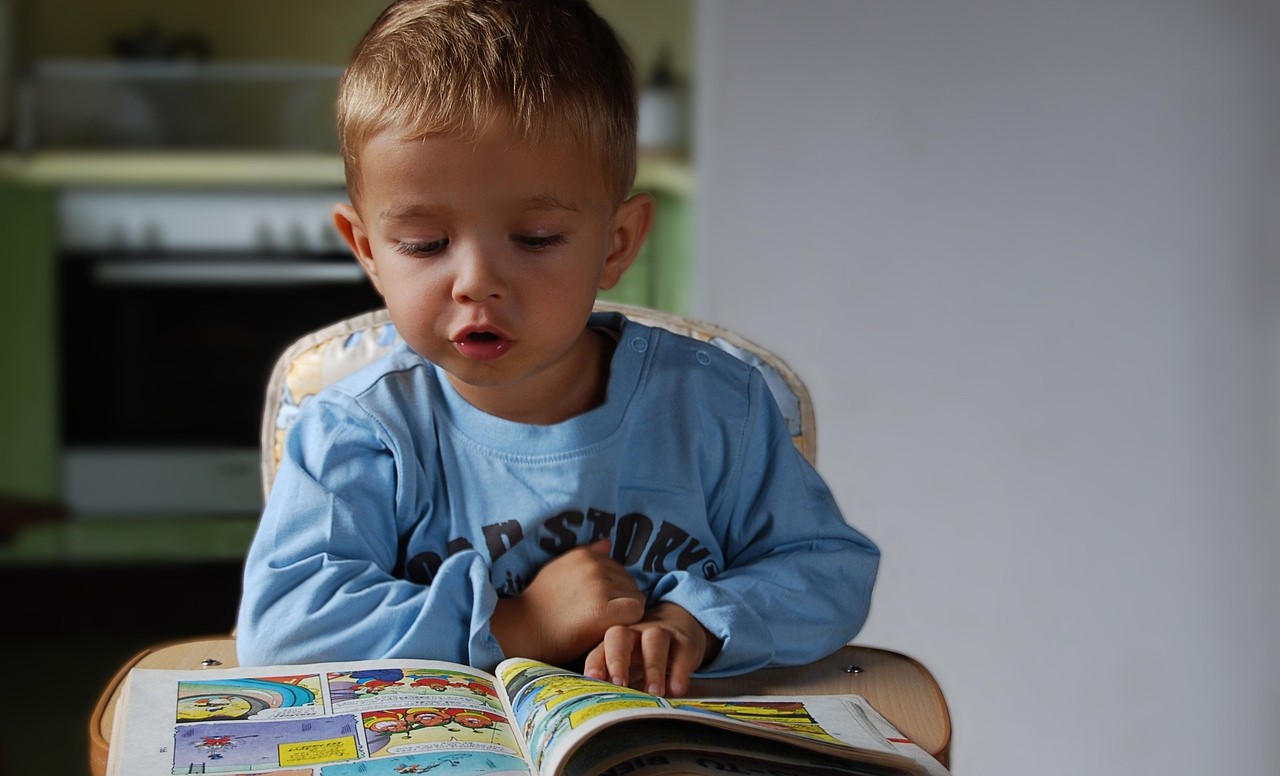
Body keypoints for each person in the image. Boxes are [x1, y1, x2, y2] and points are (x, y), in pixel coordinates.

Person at [236, 0, 879, 698]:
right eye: (423, 245)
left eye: (536, 238)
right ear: (367, 249)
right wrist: (519, 622)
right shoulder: (357, 434)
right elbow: (283, 627)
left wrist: (697, 620)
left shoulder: (717, 407)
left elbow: (827, 569)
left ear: (617, 243)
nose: (476, 282)